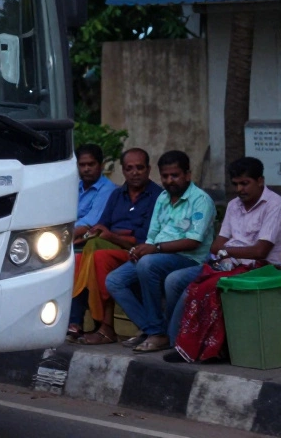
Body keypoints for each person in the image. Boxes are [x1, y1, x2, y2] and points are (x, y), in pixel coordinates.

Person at [165, 157, 281, 363]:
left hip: (262, 268)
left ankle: (202, 349)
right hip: (229, 264)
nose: (240, 189)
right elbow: (216, 246)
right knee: (177, 281)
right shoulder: (234, 205)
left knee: (200, 290)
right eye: (236, 184)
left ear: (260, 181)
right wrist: (229, 253)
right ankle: (179, 343)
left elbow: (260, 251)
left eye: (245, 183)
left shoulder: (275, 205)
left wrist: (228, 251)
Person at [105, 150, 216, 353]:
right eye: (165, 176)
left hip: (189, 259)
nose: (169, 180)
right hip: (159, 256)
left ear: (187, 175)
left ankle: (156, 332)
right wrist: (141, 250)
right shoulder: (163, 198)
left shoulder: (201, 200)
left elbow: (193, 241)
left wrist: (154, 249)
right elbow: (153, 234)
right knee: (115, 280)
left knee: (148, 264)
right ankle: (151, 330)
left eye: (175, 175)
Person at [72, 148, 162, 344]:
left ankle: (105, 327)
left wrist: (113, 235)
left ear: (148, 169)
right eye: (129, 168)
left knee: (97, 256)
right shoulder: (117, 195)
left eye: (139, 168)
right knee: (81, 258)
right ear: (123, 170)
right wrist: (115, 234)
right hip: (111, 247)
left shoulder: (157, 197)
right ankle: (79, 322)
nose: (134, 173)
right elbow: (101, 226)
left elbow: (144, 239)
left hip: (140, 252)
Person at [74, 144, 117, 244]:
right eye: (82, 165)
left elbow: (90, 222)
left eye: (91, 164)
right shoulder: (75, 186)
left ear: (101, 165)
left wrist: (62, 234)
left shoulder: (107, 189)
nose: (86, 169)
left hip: (85, 239)